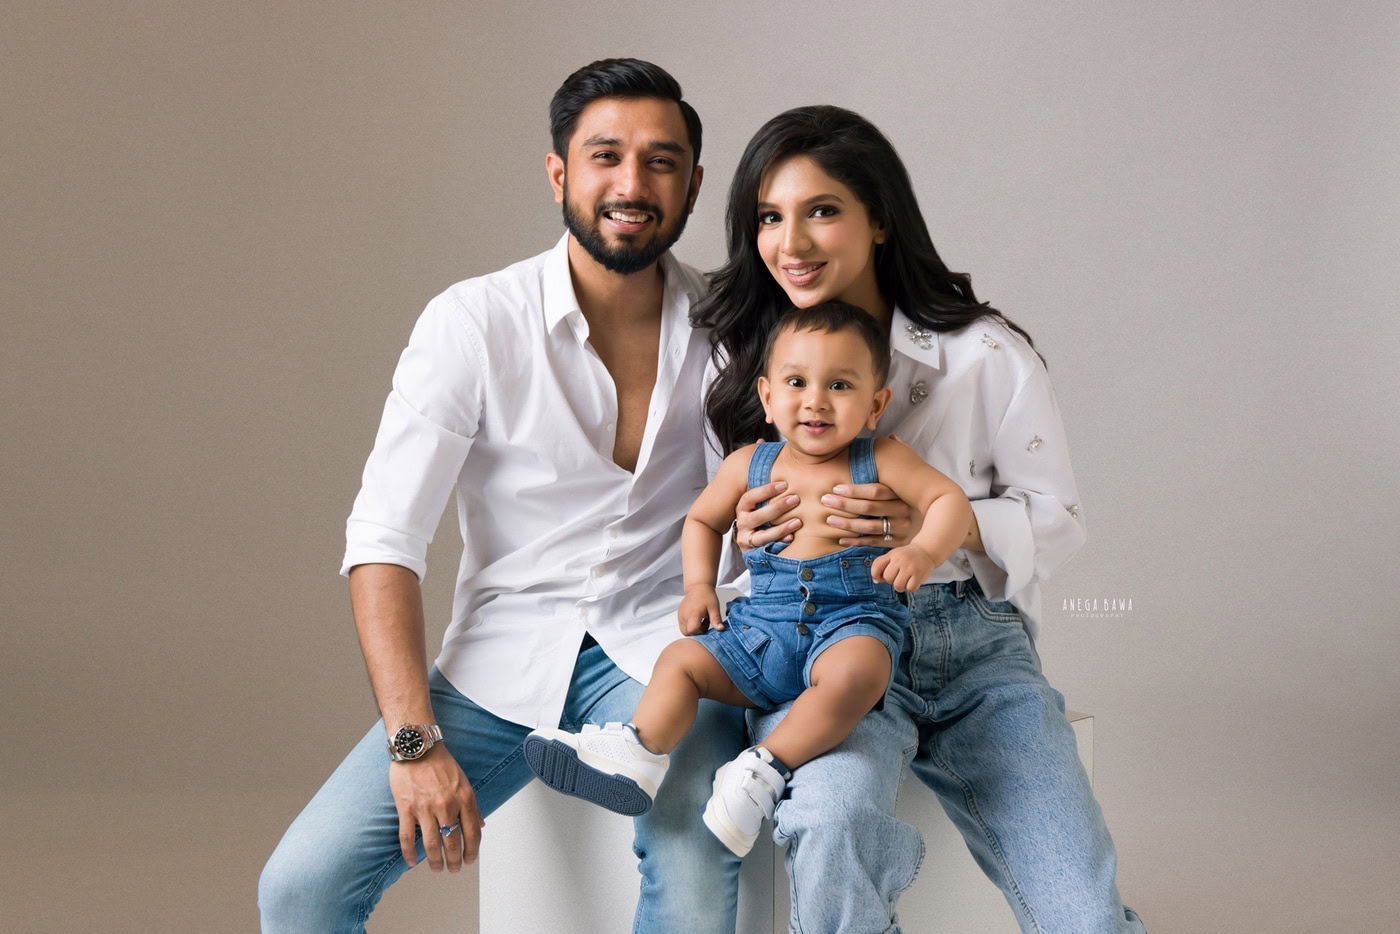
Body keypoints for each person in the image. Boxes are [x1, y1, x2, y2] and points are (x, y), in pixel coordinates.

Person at [256, 58, 753, 933]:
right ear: (559, 172)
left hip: (663, 661)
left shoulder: (730, 332)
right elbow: (383, 538)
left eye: (661, 161)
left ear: (694, 183)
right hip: (497, 663)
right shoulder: (473, 323)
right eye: (606, 155)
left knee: (695, 856)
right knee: (301, 887)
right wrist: (413, 743)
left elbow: (759, 512)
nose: (632, 184)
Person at [695, 105, 1148, 933]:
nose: (790, 243)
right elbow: (715, 539)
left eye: (821, 210)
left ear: (878, 220)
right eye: (769, 217)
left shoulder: (984, 354)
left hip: (972, 646)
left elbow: (1059, 518)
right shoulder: (749, 364)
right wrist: (749, 535)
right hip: (826, 651)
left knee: (1082, 913)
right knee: (829, 829)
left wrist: (939, 525)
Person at [522, 301, 972, 859]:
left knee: (862, 671)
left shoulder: (881, 458)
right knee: (681, 661)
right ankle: (639, 752)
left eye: (839, 385)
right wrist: (698, 587)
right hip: (762, 630)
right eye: (796, 382)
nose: (815, 400)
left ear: (876, 405)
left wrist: (925, 551)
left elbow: (949, 500)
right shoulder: (749, 463)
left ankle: (761, 771)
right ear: (767, 397)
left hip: (849, 621)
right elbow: (703, 521)